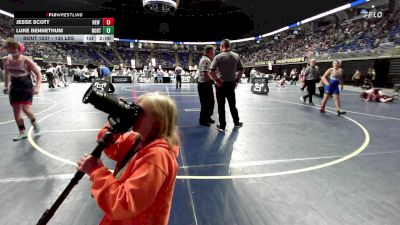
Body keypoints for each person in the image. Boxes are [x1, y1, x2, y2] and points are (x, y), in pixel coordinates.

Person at [77, 92, 180, 225]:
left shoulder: (157, 157)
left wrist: (96, 171)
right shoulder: (138, 139)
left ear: (158, 121)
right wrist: (115, 119)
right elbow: (113, 149)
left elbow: (125, 204)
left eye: (140, 113)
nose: (134, 116)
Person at [2, 38, 41, 141]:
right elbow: (6, 72)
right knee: (16, 110)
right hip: (14, 85)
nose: (12, 50)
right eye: (10, 48)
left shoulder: (26, 60)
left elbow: (38, 74)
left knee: (26, 109)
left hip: (25, 85)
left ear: (20, 49)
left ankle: (34, 121)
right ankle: (22, 132)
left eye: (14, 48)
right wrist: (6, 86)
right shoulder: (6, 60)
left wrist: (37, 87)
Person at [209, 39, 244, 131]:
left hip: (221, 85)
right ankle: (236, 122)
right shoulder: (236, 56)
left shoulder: (218, 57)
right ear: (229, 46)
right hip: (231, 84)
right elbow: (241, 70)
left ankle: (222, 126)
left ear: (222, 46)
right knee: (232, 105)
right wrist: (237, 80)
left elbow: (210, 71)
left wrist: (216, 80)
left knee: (221, 106)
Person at [197, 45, 216, 126]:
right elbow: (205, 73)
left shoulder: (206, 59)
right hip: (205, 84)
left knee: (210, 102)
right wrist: (215, 80)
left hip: (205, 84)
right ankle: (203, 120)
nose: (214, 53)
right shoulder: (206, 60)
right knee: (206, 103)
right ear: (209, 51)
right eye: (213, 51)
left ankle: (207, 117)